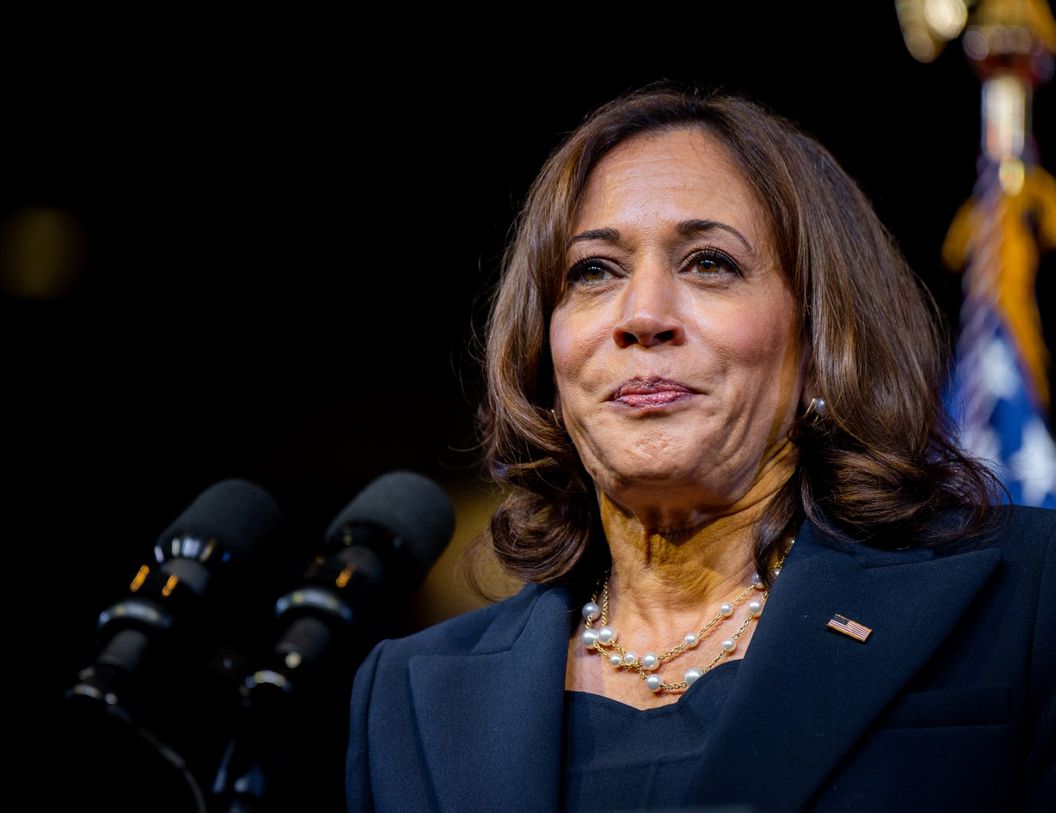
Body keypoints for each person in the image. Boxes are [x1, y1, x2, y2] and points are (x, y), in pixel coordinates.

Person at [345, 83, 1055, 812]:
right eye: (594, 271)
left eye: (708, 262)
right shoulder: (410, 695)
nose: (643, 316)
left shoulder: (1023, 593)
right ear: (546, 355)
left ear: (820, 338)